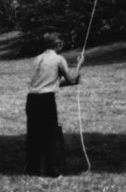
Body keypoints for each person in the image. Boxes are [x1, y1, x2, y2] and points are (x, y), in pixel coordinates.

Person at [26, 33, 84, 177]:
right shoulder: (58, 59)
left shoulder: (37, 59)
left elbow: (48, 82)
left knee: (34, 135)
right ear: (58, 45)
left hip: (32, 99)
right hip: (46, 100)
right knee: (50, 135)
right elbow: (71, 79)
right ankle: (53, 171)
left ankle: (33, 170)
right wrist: (79, 65)